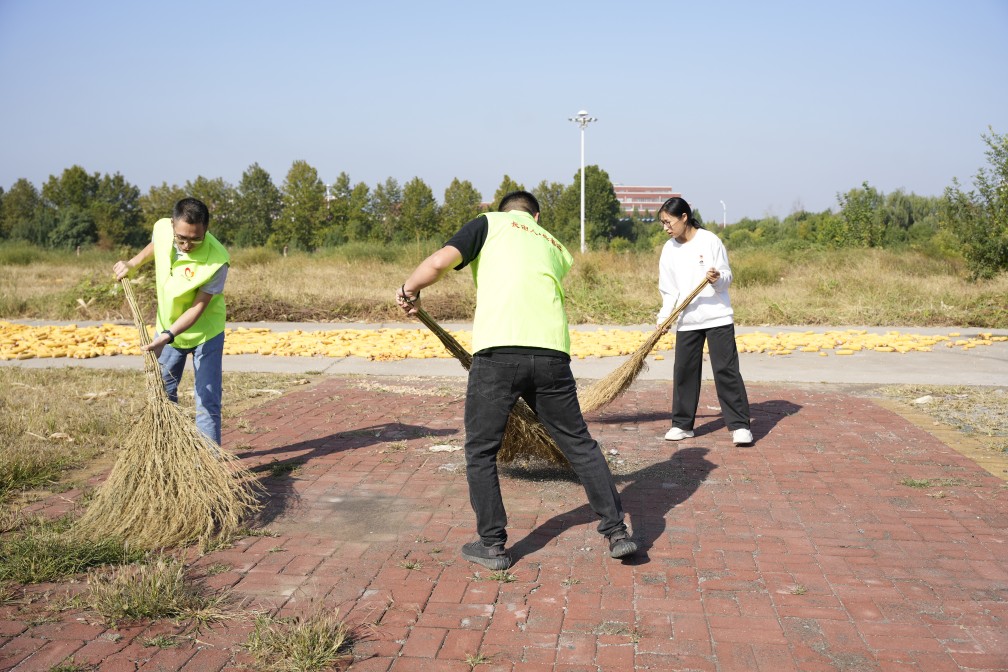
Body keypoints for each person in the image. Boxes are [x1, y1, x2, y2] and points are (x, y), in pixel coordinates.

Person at [396, 190, 638, 570]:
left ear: (504, 211)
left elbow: (440, 261)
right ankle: (617, 532)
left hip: (499, 355)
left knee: (481, 450)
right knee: (579, 445)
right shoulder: (555, 246)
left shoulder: (489, 223)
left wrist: (409, 290)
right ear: (536, 217)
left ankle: (492, 544)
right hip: (552, 355)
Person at [113, 197, 230, 447]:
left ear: (206, 230)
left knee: (206, 400)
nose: (187, 245)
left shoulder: (217, 260)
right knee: (163, 395)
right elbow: (157, 244)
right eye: (181, 238)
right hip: (167, 326)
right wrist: (132, 264)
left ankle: (208, 462)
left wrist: (166, 336)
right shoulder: (163, 228)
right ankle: (170, 455)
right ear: (173, 226)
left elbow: (197, 308)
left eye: (196, 239)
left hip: (205, 333)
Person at [656, 197, 753, 446]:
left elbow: (727, 277)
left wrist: (717, 278)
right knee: (684, 371)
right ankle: (682, 425)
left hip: (717, 316)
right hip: (687, 319)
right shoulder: (669, 249)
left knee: (725, 370)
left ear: (684, 217)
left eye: (668, 222)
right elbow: (669, 290)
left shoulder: (709, 240)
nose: (666, 228)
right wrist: (664, 317)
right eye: (662, 223)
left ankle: (740, 426)